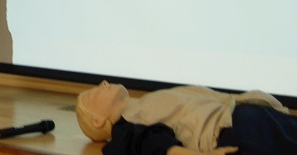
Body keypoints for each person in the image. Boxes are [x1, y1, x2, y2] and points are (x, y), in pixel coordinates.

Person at [76, 80, 297, 155]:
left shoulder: (141, 105)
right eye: (94, 93)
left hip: (242, 116)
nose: (103, 83)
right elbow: (154, 145)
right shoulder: (126, 125)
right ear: (98, 120)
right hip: (231, 131)